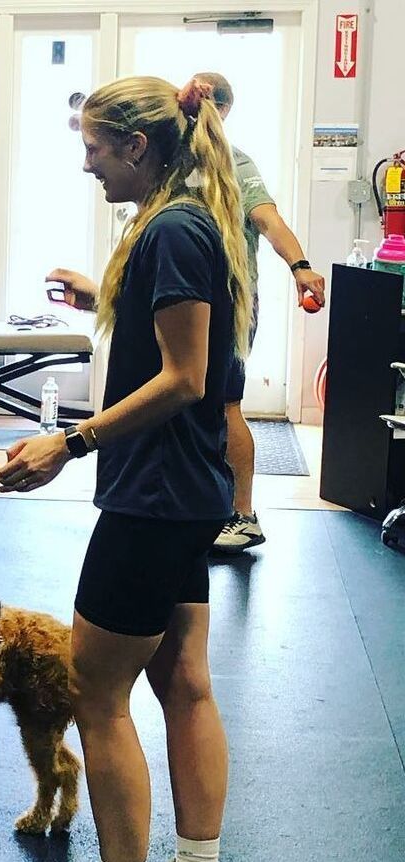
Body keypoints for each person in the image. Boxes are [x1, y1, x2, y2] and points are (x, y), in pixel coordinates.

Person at [1, 75, 248, 862]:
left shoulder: (175, 229)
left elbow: (186, 377)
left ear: (138, 147)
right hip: (184, 494)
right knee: (183, 683)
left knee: (95, 694)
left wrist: (69, 444)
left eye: (97, 147)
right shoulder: (181, 219)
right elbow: (174, 347)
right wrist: (96, 289)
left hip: (153, 499)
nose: (88, 163)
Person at [193, 71, 326, 553]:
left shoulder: (234, 163)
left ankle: (242, 515)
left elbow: (267, 219)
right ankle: (197, 510)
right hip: (185, 303)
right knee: (190, 407)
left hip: (227, 305)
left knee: (224, 407)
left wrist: (301, 265)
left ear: (220, 110)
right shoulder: (170, 159)